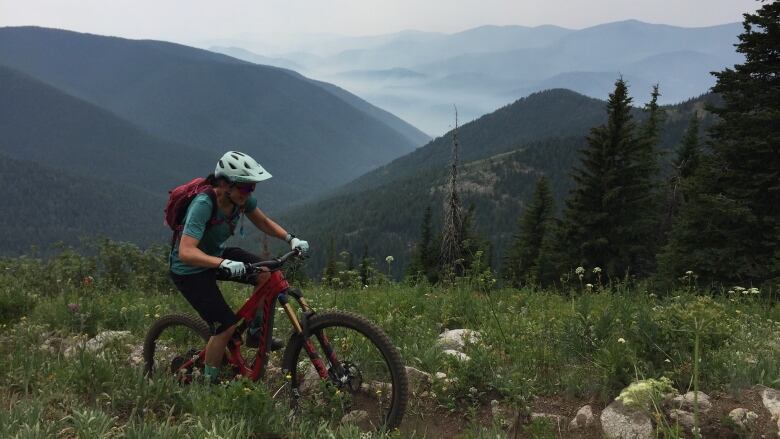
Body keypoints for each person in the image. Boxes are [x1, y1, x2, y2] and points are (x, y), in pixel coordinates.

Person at [169, 150, 309, 383]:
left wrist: (290, 238)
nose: (249, 192)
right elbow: (186, 251)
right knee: (224, 327)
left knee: (266, 273)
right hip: (189, 270)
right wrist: (223, 263)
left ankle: (255, 333)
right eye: (245, 187)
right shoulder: (204, 203)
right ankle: (209, 385)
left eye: (252, 187)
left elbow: (263, 221)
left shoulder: (240, 200)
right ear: (224, 184)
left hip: (215, 255)